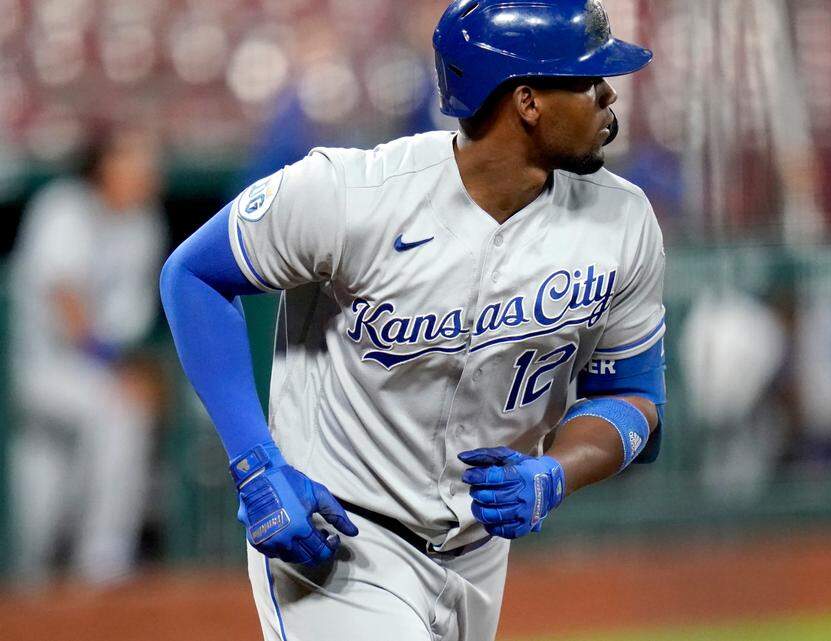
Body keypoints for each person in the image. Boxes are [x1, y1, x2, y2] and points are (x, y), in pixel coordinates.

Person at [159, 2, 666, 640]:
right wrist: (256, 462)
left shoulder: (622, 221)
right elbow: (193, 276)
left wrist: (556, 473)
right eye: (587, 80)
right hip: (340, 540)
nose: (607, 94)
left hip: (478, 559)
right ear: (528, 103)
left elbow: (632, 396)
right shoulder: (354, 195)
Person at [9, 126, 167, 586]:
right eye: (133, 161)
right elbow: (67, 304)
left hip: (87, 372)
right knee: (120, 413)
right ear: (104, 168)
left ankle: (97, 568)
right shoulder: (64, 208)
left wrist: (131, 366)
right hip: (38, 369)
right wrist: (118, 368)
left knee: (43, 492)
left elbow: (128, 322)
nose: (146, 172)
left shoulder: (143, 222)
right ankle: (96, 563)